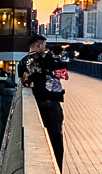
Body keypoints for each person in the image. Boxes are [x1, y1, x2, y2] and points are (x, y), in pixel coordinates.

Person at [18, 36, 68, 164]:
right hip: (51, 101)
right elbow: (61, 70)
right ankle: (57, 168)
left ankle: (38, 162)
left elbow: (25, 82)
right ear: (39, 45)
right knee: (55, 138)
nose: (45, 48)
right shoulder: (46, 59)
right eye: (44, 45)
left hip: (36, 102)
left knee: (37, 137)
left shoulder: (23, 62)